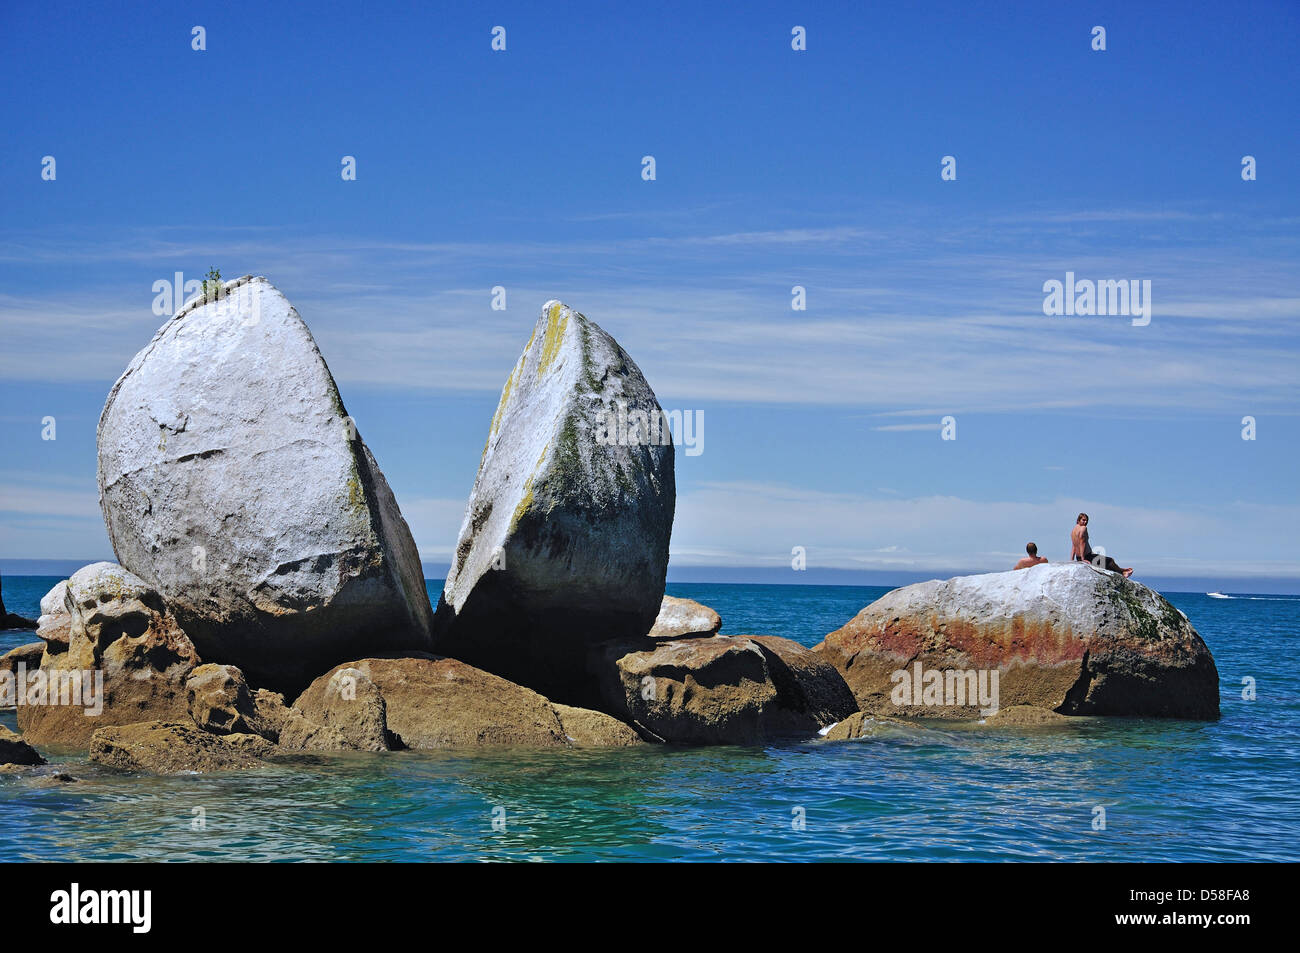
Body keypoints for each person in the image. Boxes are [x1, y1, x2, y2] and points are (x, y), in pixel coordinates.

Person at [1070, 513, 1133, 577]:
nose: (1085, 522)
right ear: (1078, 520)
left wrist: (1072, 559)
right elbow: (1082, 542)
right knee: (1110, 561)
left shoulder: (1073, 530)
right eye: (1083, 520)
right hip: (1087, 557)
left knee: (1105, 564)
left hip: (1079, 557)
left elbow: (1074, 545)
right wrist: (1083, 559)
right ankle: (1123, 573)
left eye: (1087, 520)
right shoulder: (1083, 528)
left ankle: (1122, 570)